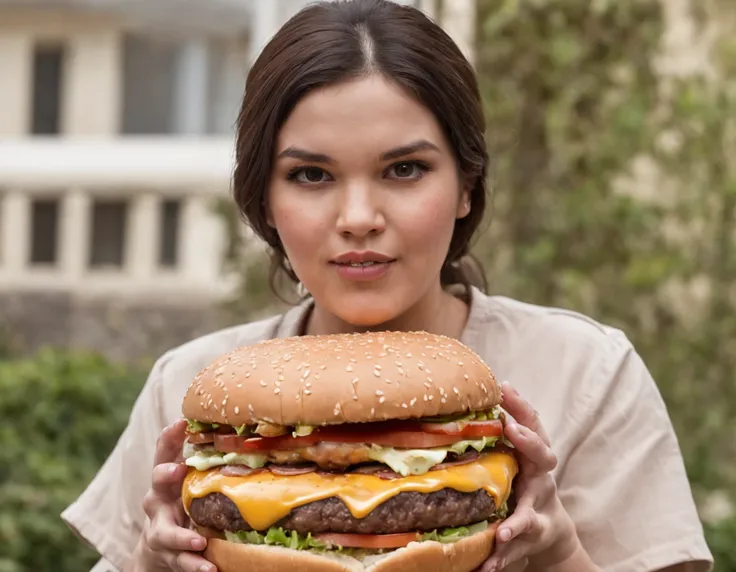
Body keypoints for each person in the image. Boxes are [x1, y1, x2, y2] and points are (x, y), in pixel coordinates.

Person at [61, 1, 714, 571]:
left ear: (466, 185)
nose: (358, 219)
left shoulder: (588, 375)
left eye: (404, 169)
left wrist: (556, 554)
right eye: (312, 176)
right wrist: (151, 562)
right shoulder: (190, 387)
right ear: (263, 199)